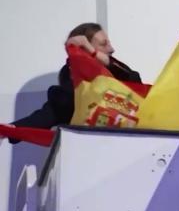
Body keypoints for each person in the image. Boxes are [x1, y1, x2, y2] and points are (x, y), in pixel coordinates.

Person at [2, 23, 141, 143]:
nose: (111, 49)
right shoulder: (70, 85)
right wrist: (10, 130)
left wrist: (93, 52)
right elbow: (50, 114)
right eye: (104, 44)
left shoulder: (120, 73)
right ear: (83, 49)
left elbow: (135, 82)